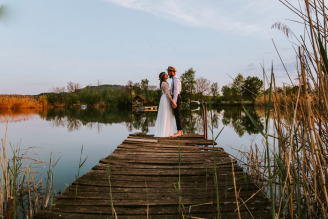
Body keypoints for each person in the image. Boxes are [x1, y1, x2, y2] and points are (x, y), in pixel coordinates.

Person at [153, 72, 177, 137]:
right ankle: (164, 131)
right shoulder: (164, 83)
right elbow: (167, 94)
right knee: (165, 114)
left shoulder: (165, 83)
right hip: (165, 99)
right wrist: (173, 101)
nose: (167, 75)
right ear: (163, 76)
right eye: (165, 74)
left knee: (167, 114)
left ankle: (166, 130)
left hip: (165, 99)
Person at [167, 66, 183, 137]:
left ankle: (179, 131)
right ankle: (180, 131)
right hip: (176, 97)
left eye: (168, 72)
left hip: (176, 97)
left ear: (172, 72)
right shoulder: (174, 79)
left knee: (177, 114)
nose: (168, 74)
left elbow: (176, 91)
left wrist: (174, 101)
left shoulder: (176, 79)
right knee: (177, 114)